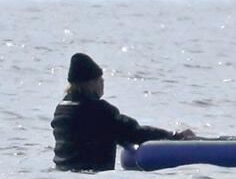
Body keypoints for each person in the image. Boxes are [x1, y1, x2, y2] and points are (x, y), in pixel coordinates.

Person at [51, 52, 194, 172]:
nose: (103, 83)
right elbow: (135, 133)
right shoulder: (100, 111)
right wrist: (174, 136)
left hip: (63, 172)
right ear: (91, 83)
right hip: (90, 177)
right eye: (100, 80)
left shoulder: (62, 109)